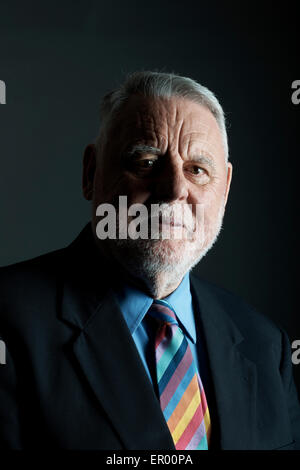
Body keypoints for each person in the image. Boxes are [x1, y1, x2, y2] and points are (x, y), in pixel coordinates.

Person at [0, 71, 299, 450]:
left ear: (224, 190)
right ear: (91, 173)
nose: (174, 190)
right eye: (146, 162)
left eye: (197, 170)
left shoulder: (266, 347)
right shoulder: (9, 323)